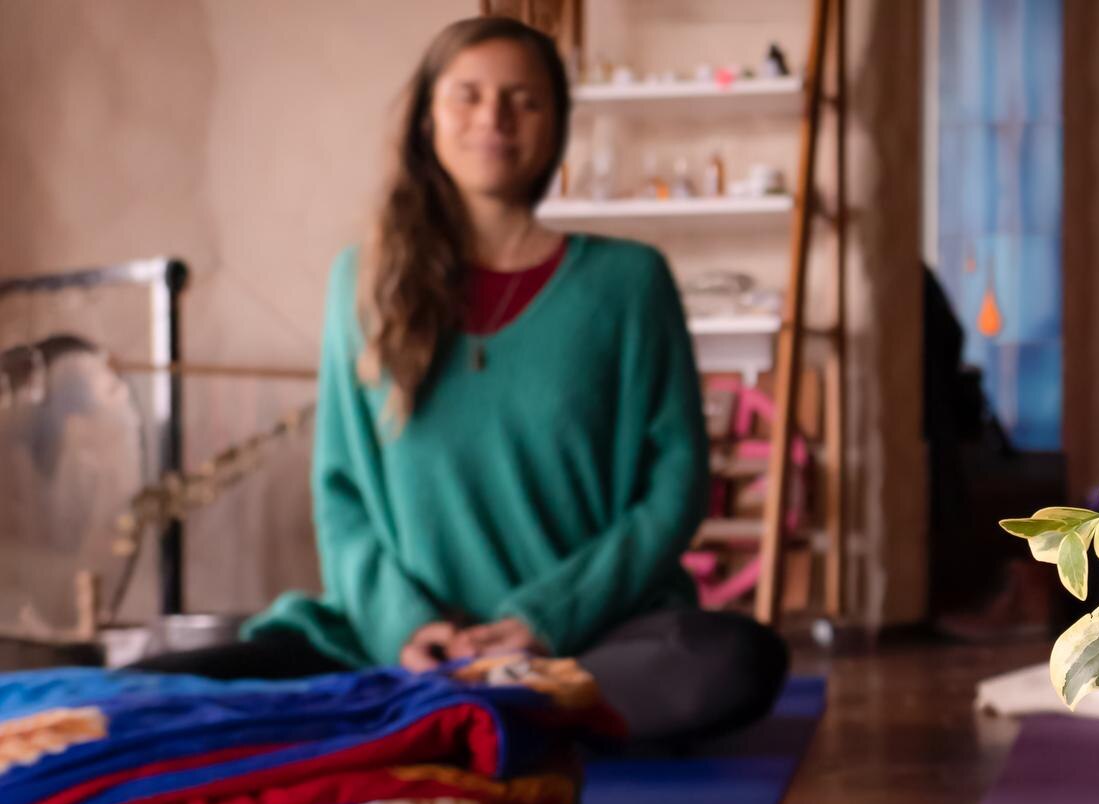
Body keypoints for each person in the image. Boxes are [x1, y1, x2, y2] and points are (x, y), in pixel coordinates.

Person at [129, 16, 787, 745]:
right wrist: (407, 628)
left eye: (523, 99)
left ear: (556, 125)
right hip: (396, 645)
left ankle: (447, 714)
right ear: (427, 119)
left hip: (590, 639)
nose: (493, 118)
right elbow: (340, 493)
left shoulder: (629, 283)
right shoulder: (364, 281)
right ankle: (474, 709)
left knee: (736, 662)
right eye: (467, 95)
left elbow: (676, 486)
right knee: (155, 685)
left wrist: (545, 622)